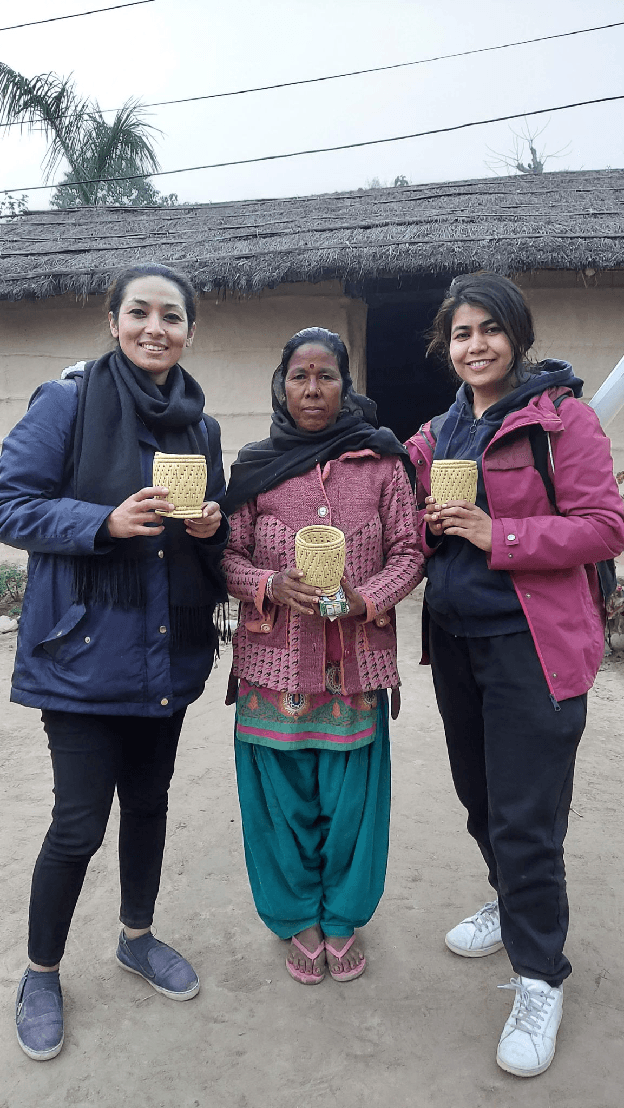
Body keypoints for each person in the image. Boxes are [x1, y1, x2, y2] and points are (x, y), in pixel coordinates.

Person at [0, 263, 229, 1061]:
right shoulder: (66, 402)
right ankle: (40, 972)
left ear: (190, 331)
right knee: (76, 825)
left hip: (166, 655)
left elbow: (218, 522)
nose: (155, 328)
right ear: (112, 320)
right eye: (140, 312)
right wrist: (103, 519)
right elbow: (9, 501)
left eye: (172, 315)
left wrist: (210, 531)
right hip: (83, 650)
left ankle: (137, 936)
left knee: (150, 803)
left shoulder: (199, 426)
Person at [405, 273, 624, 1078]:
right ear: (447, 345)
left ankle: (541, 978)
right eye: (462, 333)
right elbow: (399, 488)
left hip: (535, 645)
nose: (476, 345)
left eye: (490, 329)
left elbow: (605, 527)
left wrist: (501, 533)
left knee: (529, 820)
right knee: (484, 801)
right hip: (458, 644)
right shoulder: (439, 431)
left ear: (517, 336)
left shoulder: (561, 421)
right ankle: (511, 901)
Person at [221, 327, 422, 985]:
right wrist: (268, 585)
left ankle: (342, 917)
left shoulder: (383, 463)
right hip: (271, 668)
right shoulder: (255, 466)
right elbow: (227, 554)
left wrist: (365, 599)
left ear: (345, 384)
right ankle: (297, 919)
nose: (312, 387)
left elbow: (410, 551)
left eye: (326, 375)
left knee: (351, 808)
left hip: (354, 668)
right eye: (300, 375)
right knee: (281, 805)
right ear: (282, 385)